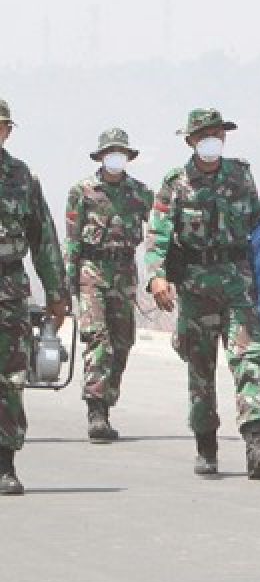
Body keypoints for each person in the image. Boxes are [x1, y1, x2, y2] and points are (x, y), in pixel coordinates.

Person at [146, 108, 260, 479]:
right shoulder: (176, 183)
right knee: (201, 368)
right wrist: (157, 278)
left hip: (238, 284)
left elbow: (259, 223)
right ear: (190, 141)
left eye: (218, 133)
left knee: (247, 359)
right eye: (205, 134)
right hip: (196, 288)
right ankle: (206, 445)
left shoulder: (240, 174)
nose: (212, 140)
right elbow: (157, 235)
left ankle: (256, 444)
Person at [63, 128, 153, 443]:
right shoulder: (82, 191)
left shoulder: (140, 193)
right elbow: (72, 238)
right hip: (92, 270)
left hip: (124, 272)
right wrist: (68, 282)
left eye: (121, 152)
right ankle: (96, 410)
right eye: (110, 151)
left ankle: (107, 398)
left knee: (123, 341)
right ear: (101, 156)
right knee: (97, 338)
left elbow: (160, 228)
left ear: (127, 157)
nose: (116, 157)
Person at [0, 98, 70, 495]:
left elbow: (43, 237)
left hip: (8, 289)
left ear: (8, 131)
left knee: (9, 379)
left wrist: (57, 292)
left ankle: (5, 463)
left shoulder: (21, 177)